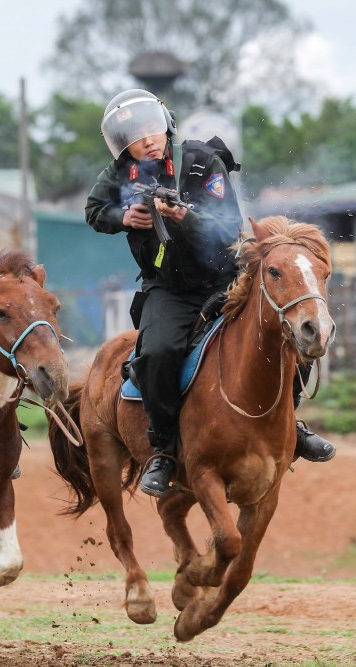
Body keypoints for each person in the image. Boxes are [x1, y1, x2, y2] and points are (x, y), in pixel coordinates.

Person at [85, 89, 335, 498]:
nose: (146, 140)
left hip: (226, 280)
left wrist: (184, 216)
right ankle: (163, 450)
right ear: (122, 146)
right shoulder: (118, 175)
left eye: (150, 129)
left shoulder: (202, 162)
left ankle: (293, 423)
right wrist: (123, 216)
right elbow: (93, 212)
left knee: (284, 331)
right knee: (159, 351)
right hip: (168, 289)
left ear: (166, 125)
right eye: (133, 137)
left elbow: (228, 228)